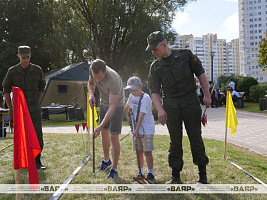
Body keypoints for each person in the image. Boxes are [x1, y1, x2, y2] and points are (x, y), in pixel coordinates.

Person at [146, 31, 211, 184]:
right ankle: (175, 175)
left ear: (163, 44)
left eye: (155, 49)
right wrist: (160, 109)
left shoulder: (185, 55)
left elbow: (201, 74)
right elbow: (154, 90)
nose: (153, 52)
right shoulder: (155, 67)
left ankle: (202, 176)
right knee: (175, 141)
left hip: (190, 103)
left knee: (195, 138)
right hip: (171, 107)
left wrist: (206, 95)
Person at [2, 45, 46, 169]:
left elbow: (42, 86)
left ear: (30, 56)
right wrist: (10, 108)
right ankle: (23, 160)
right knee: (21, 134)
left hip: (34, 107)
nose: (25, 60)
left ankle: (37, 161)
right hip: (19, 109)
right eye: (23, 57)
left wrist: (38, 101)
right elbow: (6, 89)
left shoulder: (37, 70)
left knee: (37, 134)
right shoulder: (12, 71)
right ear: (18, 56)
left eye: (27, 57)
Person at [88, 59, 125, 179]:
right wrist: (92, 95)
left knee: (113, 136)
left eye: (99, 77)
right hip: (103, 103)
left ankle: (114, 169)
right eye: (95, 76)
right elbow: (91, 83)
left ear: (105, 71)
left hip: (116, 105)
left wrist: (100, 125)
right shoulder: (92, 69)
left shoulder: (114, 80)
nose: (97, 80)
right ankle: (106, 161)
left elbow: (112, 107)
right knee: (104, 133)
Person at [125, 76, 155, 182]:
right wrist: (127, 116)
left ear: (140, 87)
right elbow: (127, 107)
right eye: (130, 89)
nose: (132, 91)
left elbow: (141, 115)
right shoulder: (131, 96)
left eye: (134, 89)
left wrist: (136, 130)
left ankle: (150, 173)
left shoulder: (146, 98)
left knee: (147, 151)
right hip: (136, 128)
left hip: (146, 129)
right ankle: (140, 172)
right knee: (139, 151)